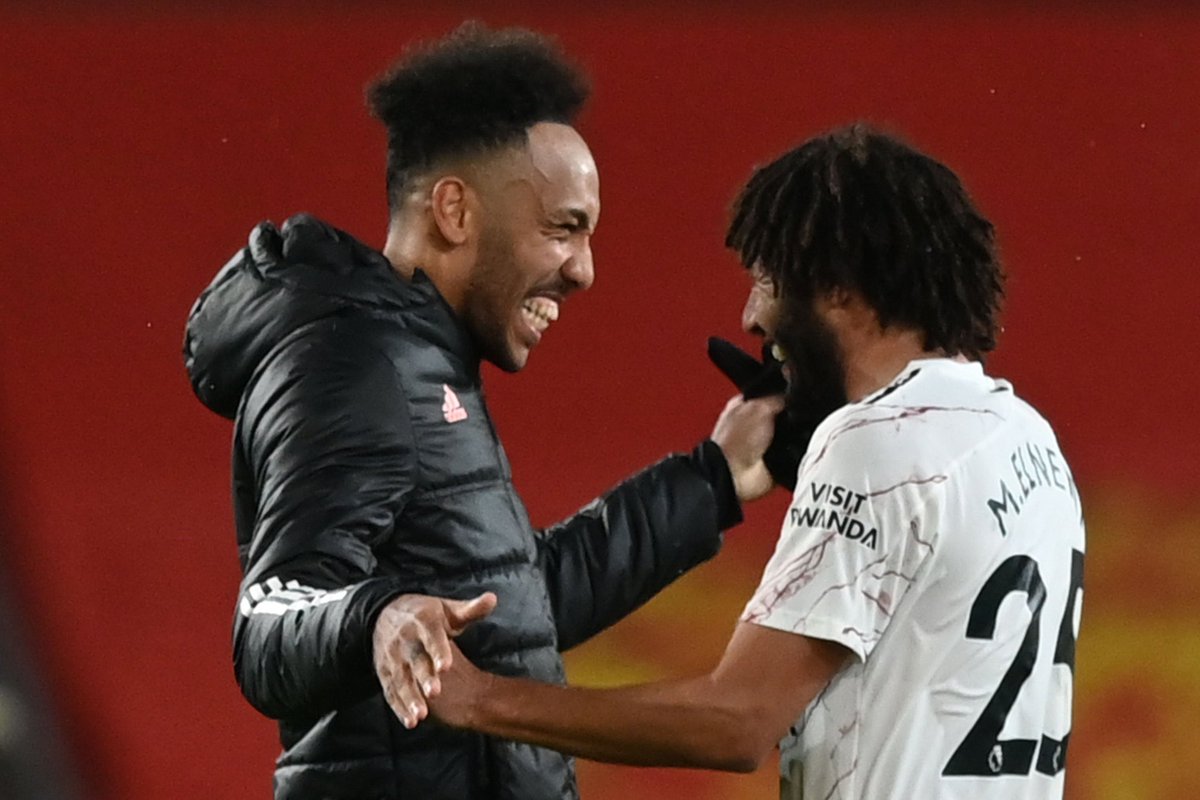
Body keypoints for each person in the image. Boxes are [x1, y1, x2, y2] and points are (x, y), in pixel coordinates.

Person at [182, 23, 782, 800]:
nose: (585, 270)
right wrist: (379, 617)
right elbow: (269, 620)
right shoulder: (357, 363)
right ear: (456, 212)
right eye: (563, 228)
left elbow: (508, 612)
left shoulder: (418, 360)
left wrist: (714, 479)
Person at [428, 124, 1087, 800]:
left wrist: (481, 699)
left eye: (768, 279)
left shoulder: (875, 441)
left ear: (836, 285)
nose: (751, 316)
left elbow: (737, 720)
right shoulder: (1029, 440)